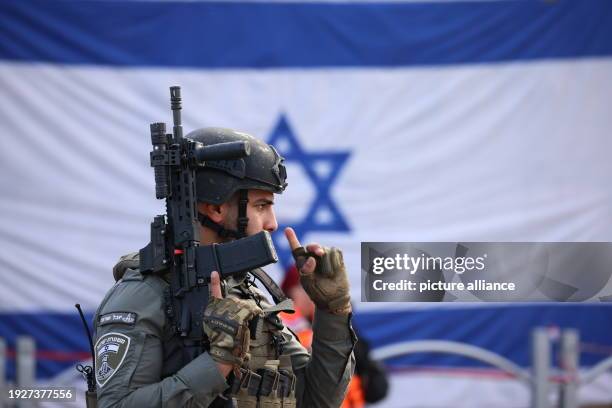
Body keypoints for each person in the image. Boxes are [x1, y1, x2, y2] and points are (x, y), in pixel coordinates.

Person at [93, 127, 356, 408]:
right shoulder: (144, 295)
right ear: (215, 208)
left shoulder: (246, 292)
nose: (272, 223)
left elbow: (316, 400)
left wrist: (332, 312)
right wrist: (218, 363)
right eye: (261, 205)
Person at [280, 267, 389, 408]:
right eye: (309, 286)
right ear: (292, 290)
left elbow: (375, 386)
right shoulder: (281, 325)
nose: (316, 294)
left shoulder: (339, 324)